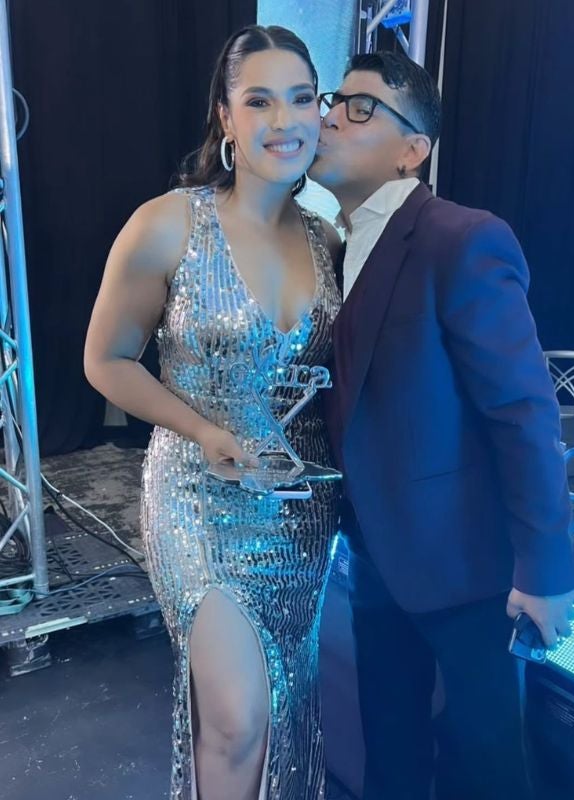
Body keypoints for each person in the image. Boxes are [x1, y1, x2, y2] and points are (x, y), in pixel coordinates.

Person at [309, 51, 574, 800]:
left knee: (488, 770)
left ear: (413, 150)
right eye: (332, 101)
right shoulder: (333, 250)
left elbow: (522, 412)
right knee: (389, 756)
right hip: (375, 563)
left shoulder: (461, 238)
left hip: (470, 572)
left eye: (360, 107)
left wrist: (546, 570)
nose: (329, 118)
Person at [84, 25, 342, 800]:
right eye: (258, 101)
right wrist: (202, 429)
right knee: (235, 715)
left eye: (301, 98)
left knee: (284, 702)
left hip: (301, 511)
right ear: (225, 118)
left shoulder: (329, 240)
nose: (284, 120)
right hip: (198, 499)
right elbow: (106, 361)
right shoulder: (170, 223)